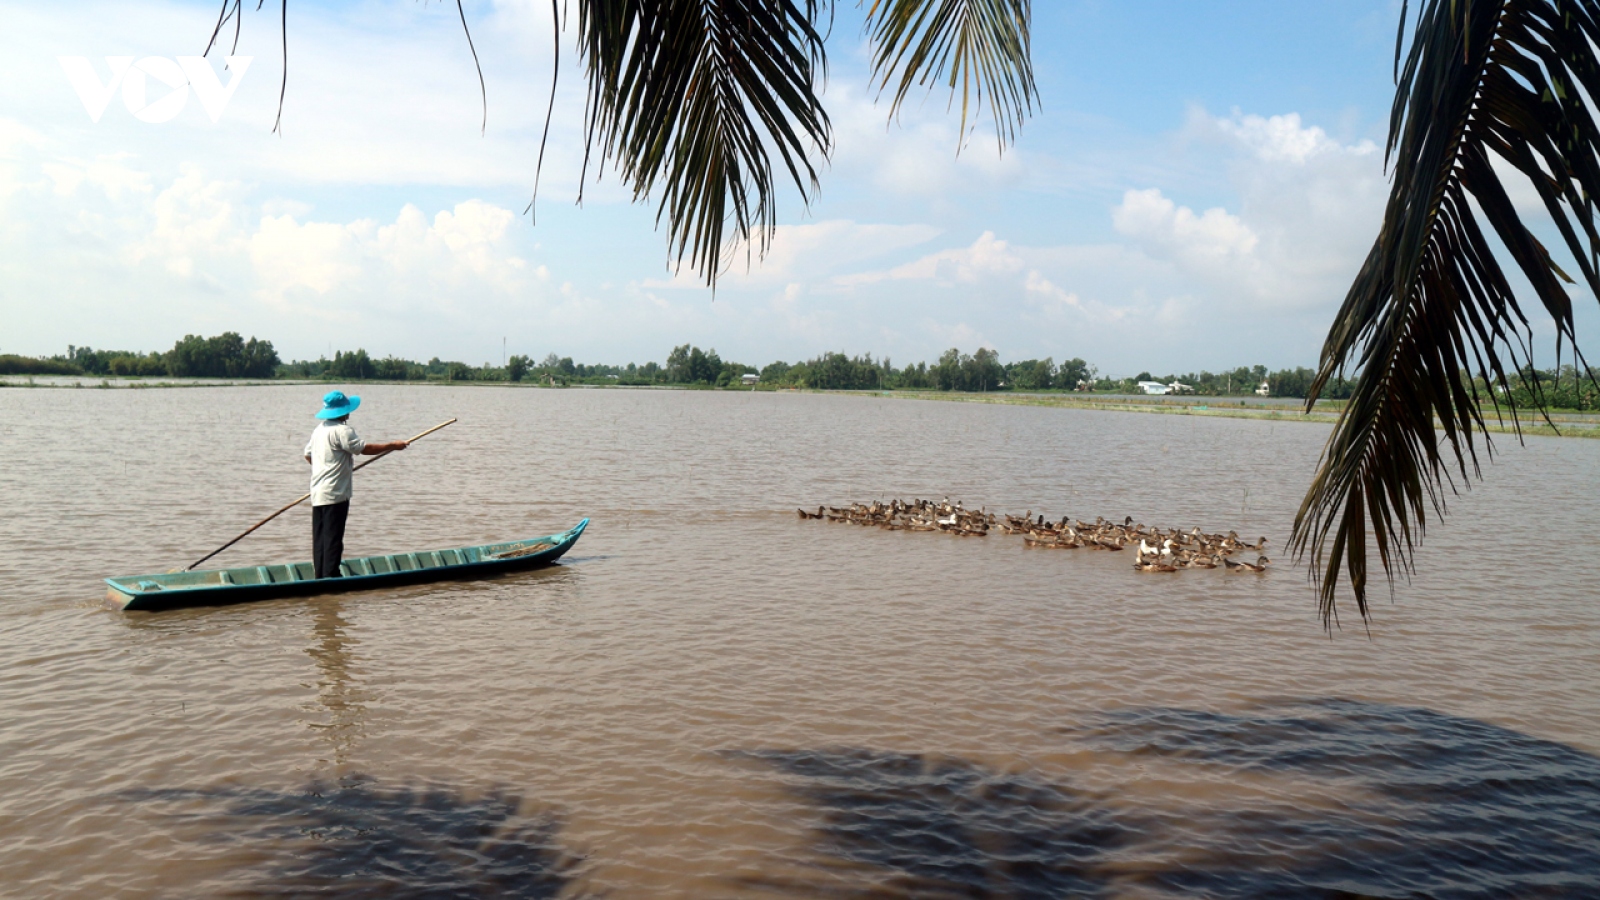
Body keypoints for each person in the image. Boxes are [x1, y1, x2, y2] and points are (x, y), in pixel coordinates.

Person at [303, 391, 408, 578]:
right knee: (333, 538)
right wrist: (393, 445)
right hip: (335, 493)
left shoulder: (319, 430)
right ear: (343, 411)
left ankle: (320, 575)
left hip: (318, 492)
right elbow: (364, 449)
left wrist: (328, 468)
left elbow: (308, 455)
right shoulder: (343, 431)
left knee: (320, 539)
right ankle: (331, 577)